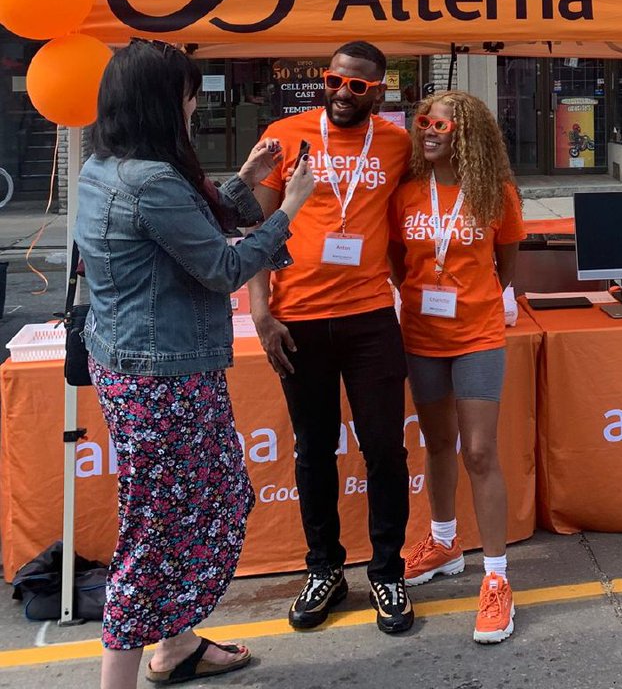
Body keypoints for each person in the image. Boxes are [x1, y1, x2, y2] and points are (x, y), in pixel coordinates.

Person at [74, 40, 315, 689]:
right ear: (162, 101)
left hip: (138, 367)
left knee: (196, 504)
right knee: (159, 527)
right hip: (164, 379)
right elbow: (223, 266)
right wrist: (289, 206)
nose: (194, 104)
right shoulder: (152, 179)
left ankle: (177, 644)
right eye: (187, 92)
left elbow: (189, 225)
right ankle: (124, 672)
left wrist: (244, 178)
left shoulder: (106, 165)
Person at [249, 40, 414, 635]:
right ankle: (324, 569)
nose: (343, 93)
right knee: (313, 450)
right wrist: (261, 313)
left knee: (385, 450)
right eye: (334, 80)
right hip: (299, 318)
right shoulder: (285, 135)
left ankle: (388, 571)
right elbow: (260, 229)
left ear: (379, 90)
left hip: (371, 316)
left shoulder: (397, 144)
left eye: (358, 86)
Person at [388, 91, 525, 644]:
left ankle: (496, 577)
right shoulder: (406, 193)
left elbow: (505, 265)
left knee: (480, 451)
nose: (427, 130)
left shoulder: (496, 194)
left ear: (466, 134)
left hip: (478, 336)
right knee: (438, 442)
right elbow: (398, 262)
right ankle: (444, 543)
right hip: (421, 336)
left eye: (440, 125)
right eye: (423, 121)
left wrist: (471, 299)